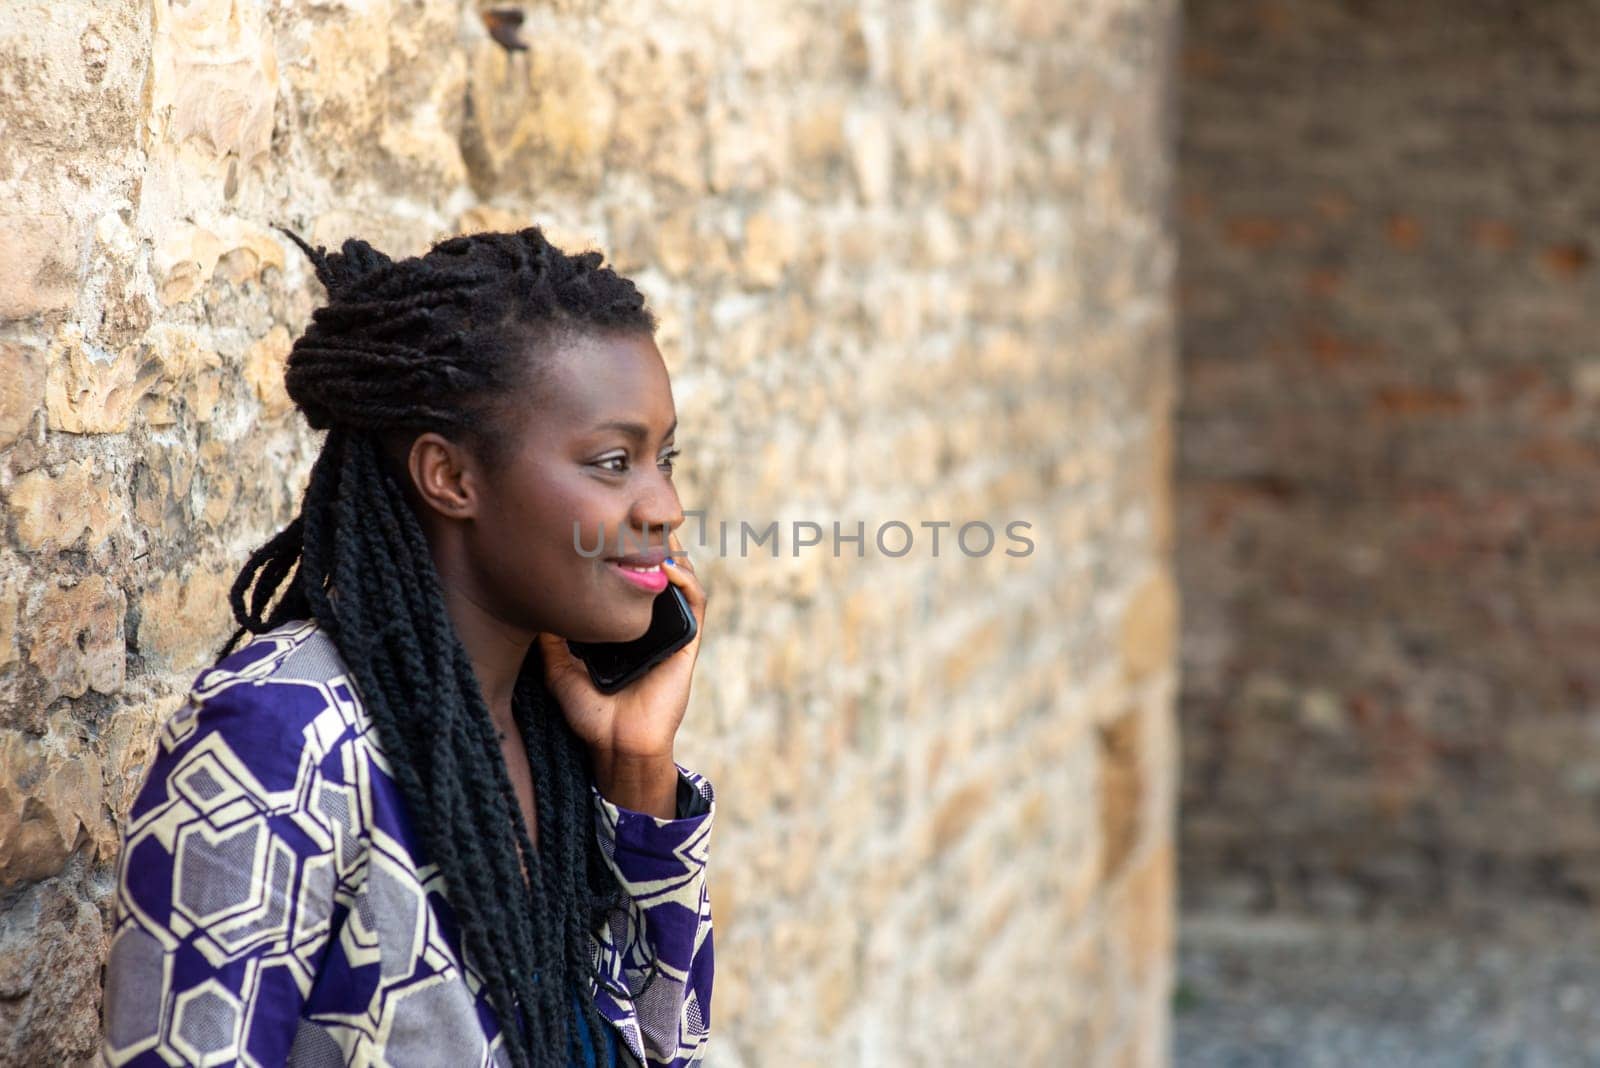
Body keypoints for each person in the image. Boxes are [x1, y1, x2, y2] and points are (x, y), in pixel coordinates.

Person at [98, 227, 715, 1067]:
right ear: (451, 478)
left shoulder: (549, 731)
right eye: (613, 462)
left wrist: (636, 771)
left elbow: (657, 1053)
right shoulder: (282, 742)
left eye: (662, 458)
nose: (664, 505)